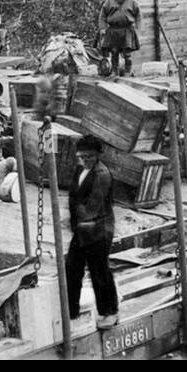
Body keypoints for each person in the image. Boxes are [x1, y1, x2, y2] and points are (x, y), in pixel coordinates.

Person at [67, 134, 119, 329]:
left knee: (99, 272)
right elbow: (73, 197)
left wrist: (79, 214)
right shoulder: (80, 169)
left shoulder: (102, 174)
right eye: (82, 156)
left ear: (97, 155)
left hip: (99, 230)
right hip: (81, 230)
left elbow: (93, 207)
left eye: (90, 156)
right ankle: (70, 311)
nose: (85, 159)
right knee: (72, 269)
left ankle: (110, 311)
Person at [97, 0, 141, 77]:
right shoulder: (109, 2)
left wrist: (138, 28)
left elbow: (138, 16)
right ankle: (114, 72)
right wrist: (102, 28)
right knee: (114, 52)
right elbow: (102, 16)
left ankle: (128, 71)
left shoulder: (132, 2)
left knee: (127, 53)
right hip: (113, 30)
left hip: (127, 30)